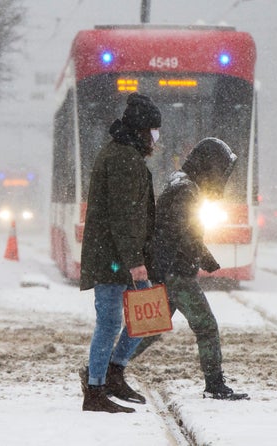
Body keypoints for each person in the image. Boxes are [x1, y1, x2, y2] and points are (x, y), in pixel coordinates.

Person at [133, 137, 249, 401]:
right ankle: (215, 385)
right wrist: (164, 274)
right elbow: (172, 235)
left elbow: (183, 232)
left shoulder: (183, 186)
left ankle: (106, 371)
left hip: (172, 271)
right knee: (206, 326)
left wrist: (204, 257)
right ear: (210, 167)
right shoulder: (187, 192)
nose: (222, 178)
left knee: (151, 330)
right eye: (221, 171)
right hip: (177, 274)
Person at [79, 92, 162, 413]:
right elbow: (124, 216)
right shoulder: (124, 159)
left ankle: (112, 375)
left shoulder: (124, 154)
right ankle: (96, 389)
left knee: (147, 319)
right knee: (111, 322)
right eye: (154, 131)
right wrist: (135, 262)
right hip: (113, 259)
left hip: (116, 256)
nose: (156, 138)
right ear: (142, 130)